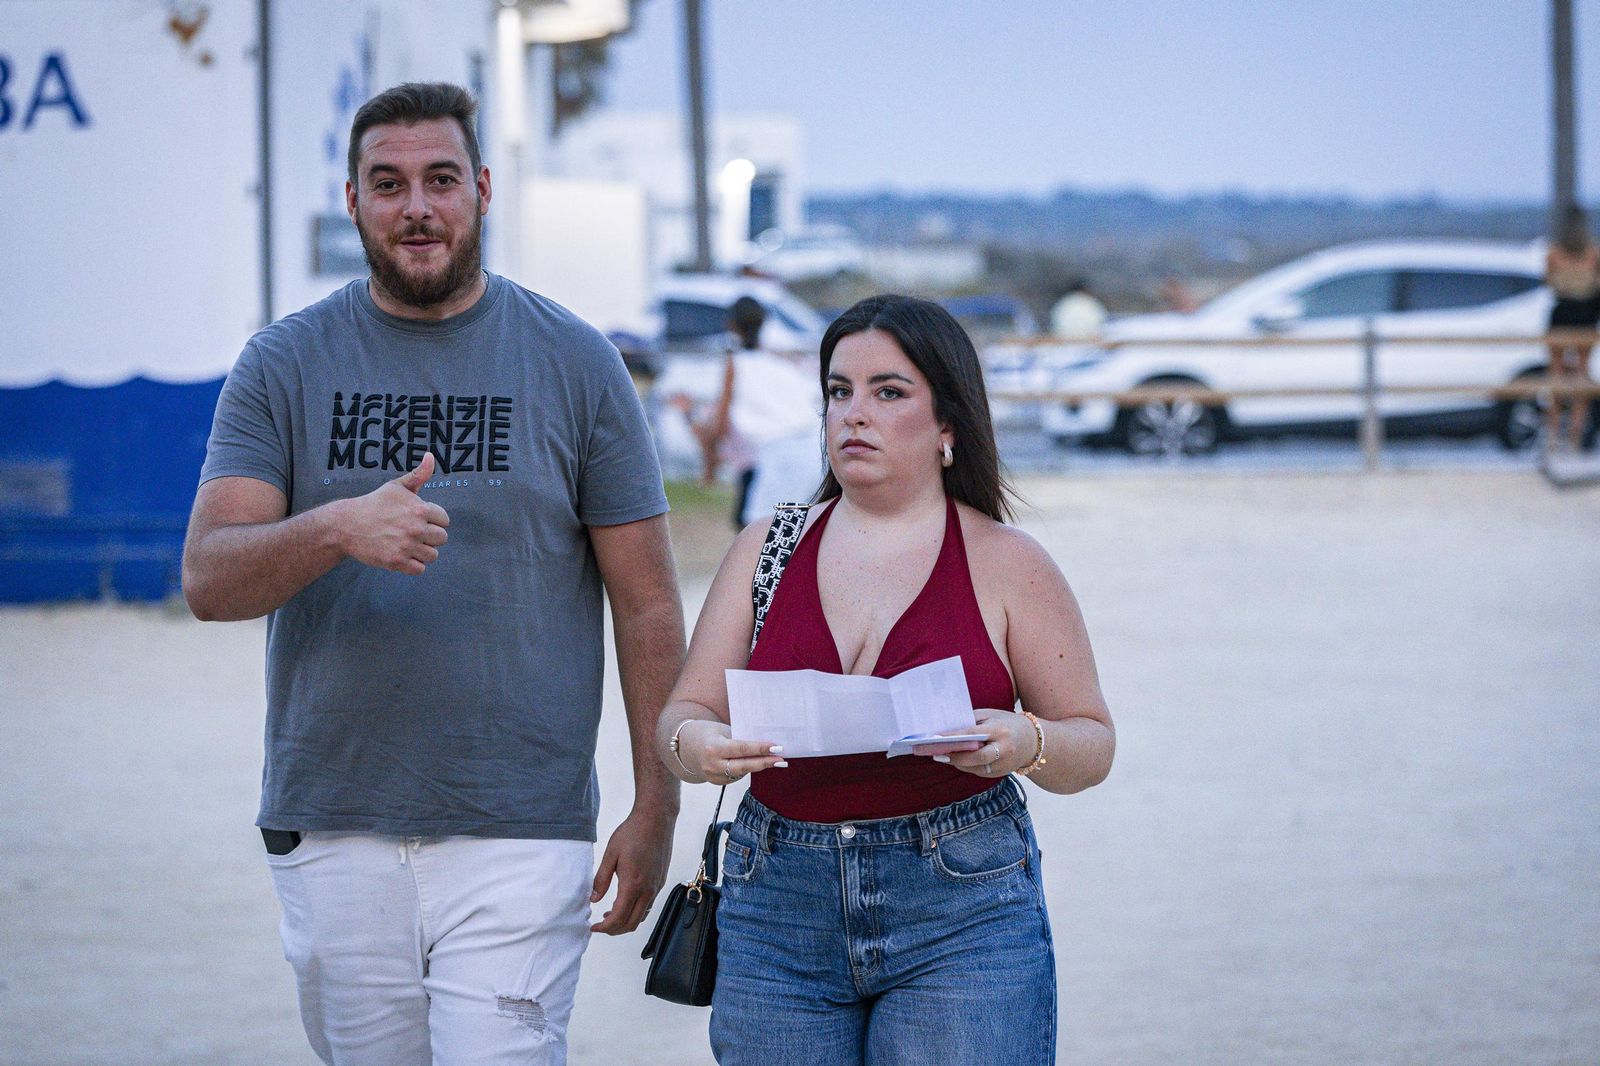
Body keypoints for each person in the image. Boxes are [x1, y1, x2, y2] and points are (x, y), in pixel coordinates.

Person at [181, 83, 684, 1065]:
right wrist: (333, 526)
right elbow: (209, 578)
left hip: (521, 824)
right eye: (389, 183)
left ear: (483, 189)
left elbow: (649, 601)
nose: (417, 207)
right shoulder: (282, 363)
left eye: (440, 179)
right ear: (354, 199)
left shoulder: (577, 363)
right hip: (332, 817)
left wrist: (656, 804)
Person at [655, 295, 1116, 1065]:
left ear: (948, 427)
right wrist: (696, 745)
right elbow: (683, 713)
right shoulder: (766, 547)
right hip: (776, 902)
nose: (853, 414)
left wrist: (1023, 740)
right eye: (839, 391)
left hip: (962, 903)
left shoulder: (1010, 563)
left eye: (888, 392)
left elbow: (1092, 744)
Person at [688, 296, 821, 528]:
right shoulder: (782, 356)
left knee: (760, 535)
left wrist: (708, 463)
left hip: (781, 453)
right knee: (787, 533)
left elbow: (720, 424)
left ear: (731, 325)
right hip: (814, 447)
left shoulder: (736, 362)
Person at [1544, 205, 1600, 454]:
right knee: (1580, 375)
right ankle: (1573, 438)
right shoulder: (1592, 252)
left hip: (1564, 313)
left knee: (1557, 375)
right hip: (1585, 314)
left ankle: (1555, 435)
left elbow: (1549, 281)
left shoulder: (1555, 253)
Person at [1048, 276, 1108, 341]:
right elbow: (1102, 322)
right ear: (1085, 289)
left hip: (1063, 341)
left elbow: (1054, 324)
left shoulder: (1062, 304)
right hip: (1089, 341)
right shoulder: (1090, 303)